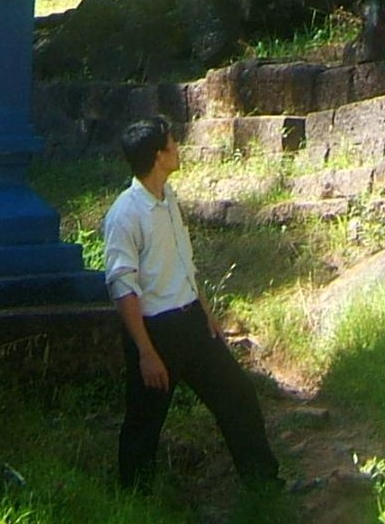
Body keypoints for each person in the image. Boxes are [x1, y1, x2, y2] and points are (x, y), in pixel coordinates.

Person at [101, 115, 280, 493]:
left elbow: (183, 263)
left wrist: (208, 316)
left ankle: (264, 485)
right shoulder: (125, 213)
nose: (178, 149)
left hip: (192, 322)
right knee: (144, 424)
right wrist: (146, 351)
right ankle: (133, 503)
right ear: (158, 155)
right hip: (155, 332)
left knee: (238, 397)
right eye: (172, 143)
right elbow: (123, 287)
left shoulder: (169, 200)